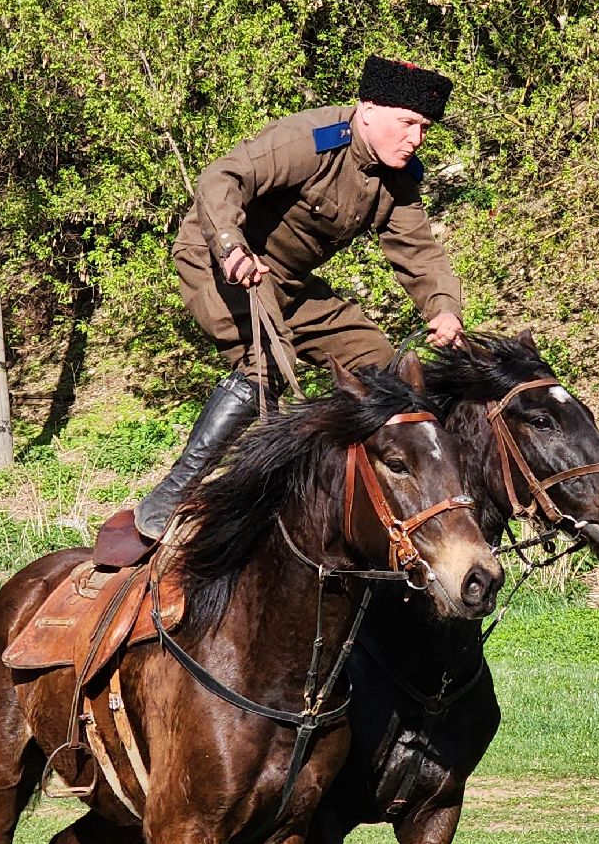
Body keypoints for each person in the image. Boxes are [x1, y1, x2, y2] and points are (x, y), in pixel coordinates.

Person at [134, 55, 467, 540]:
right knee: (266, 362)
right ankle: (177, 489)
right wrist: (230, 247)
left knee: (378, 362)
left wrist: (443, 309)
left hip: (287, 278)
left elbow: (418, 252)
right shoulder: (310, 140)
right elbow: (221, 178)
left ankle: (354, 499)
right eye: (408, 123)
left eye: (424, 128)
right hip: (218, 259)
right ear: (369, 109)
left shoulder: (399, 179)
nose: (415, 139)